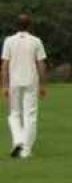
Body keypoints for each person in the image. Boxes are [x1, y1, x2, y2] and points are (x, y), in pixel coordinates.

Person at [1, 14, 47, 159]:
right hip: (31, 81)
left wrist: (4, 85)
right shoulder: (36, 41)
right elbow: (41, 64)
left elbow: (4, 65)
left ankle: (18, 140)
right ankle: (26, 150)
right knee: (30, 115)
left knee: (14, 114)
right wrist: (43, 84)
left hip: (14, 81)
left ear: (16, 25)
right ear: (30, 25)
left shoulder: (9, 41)